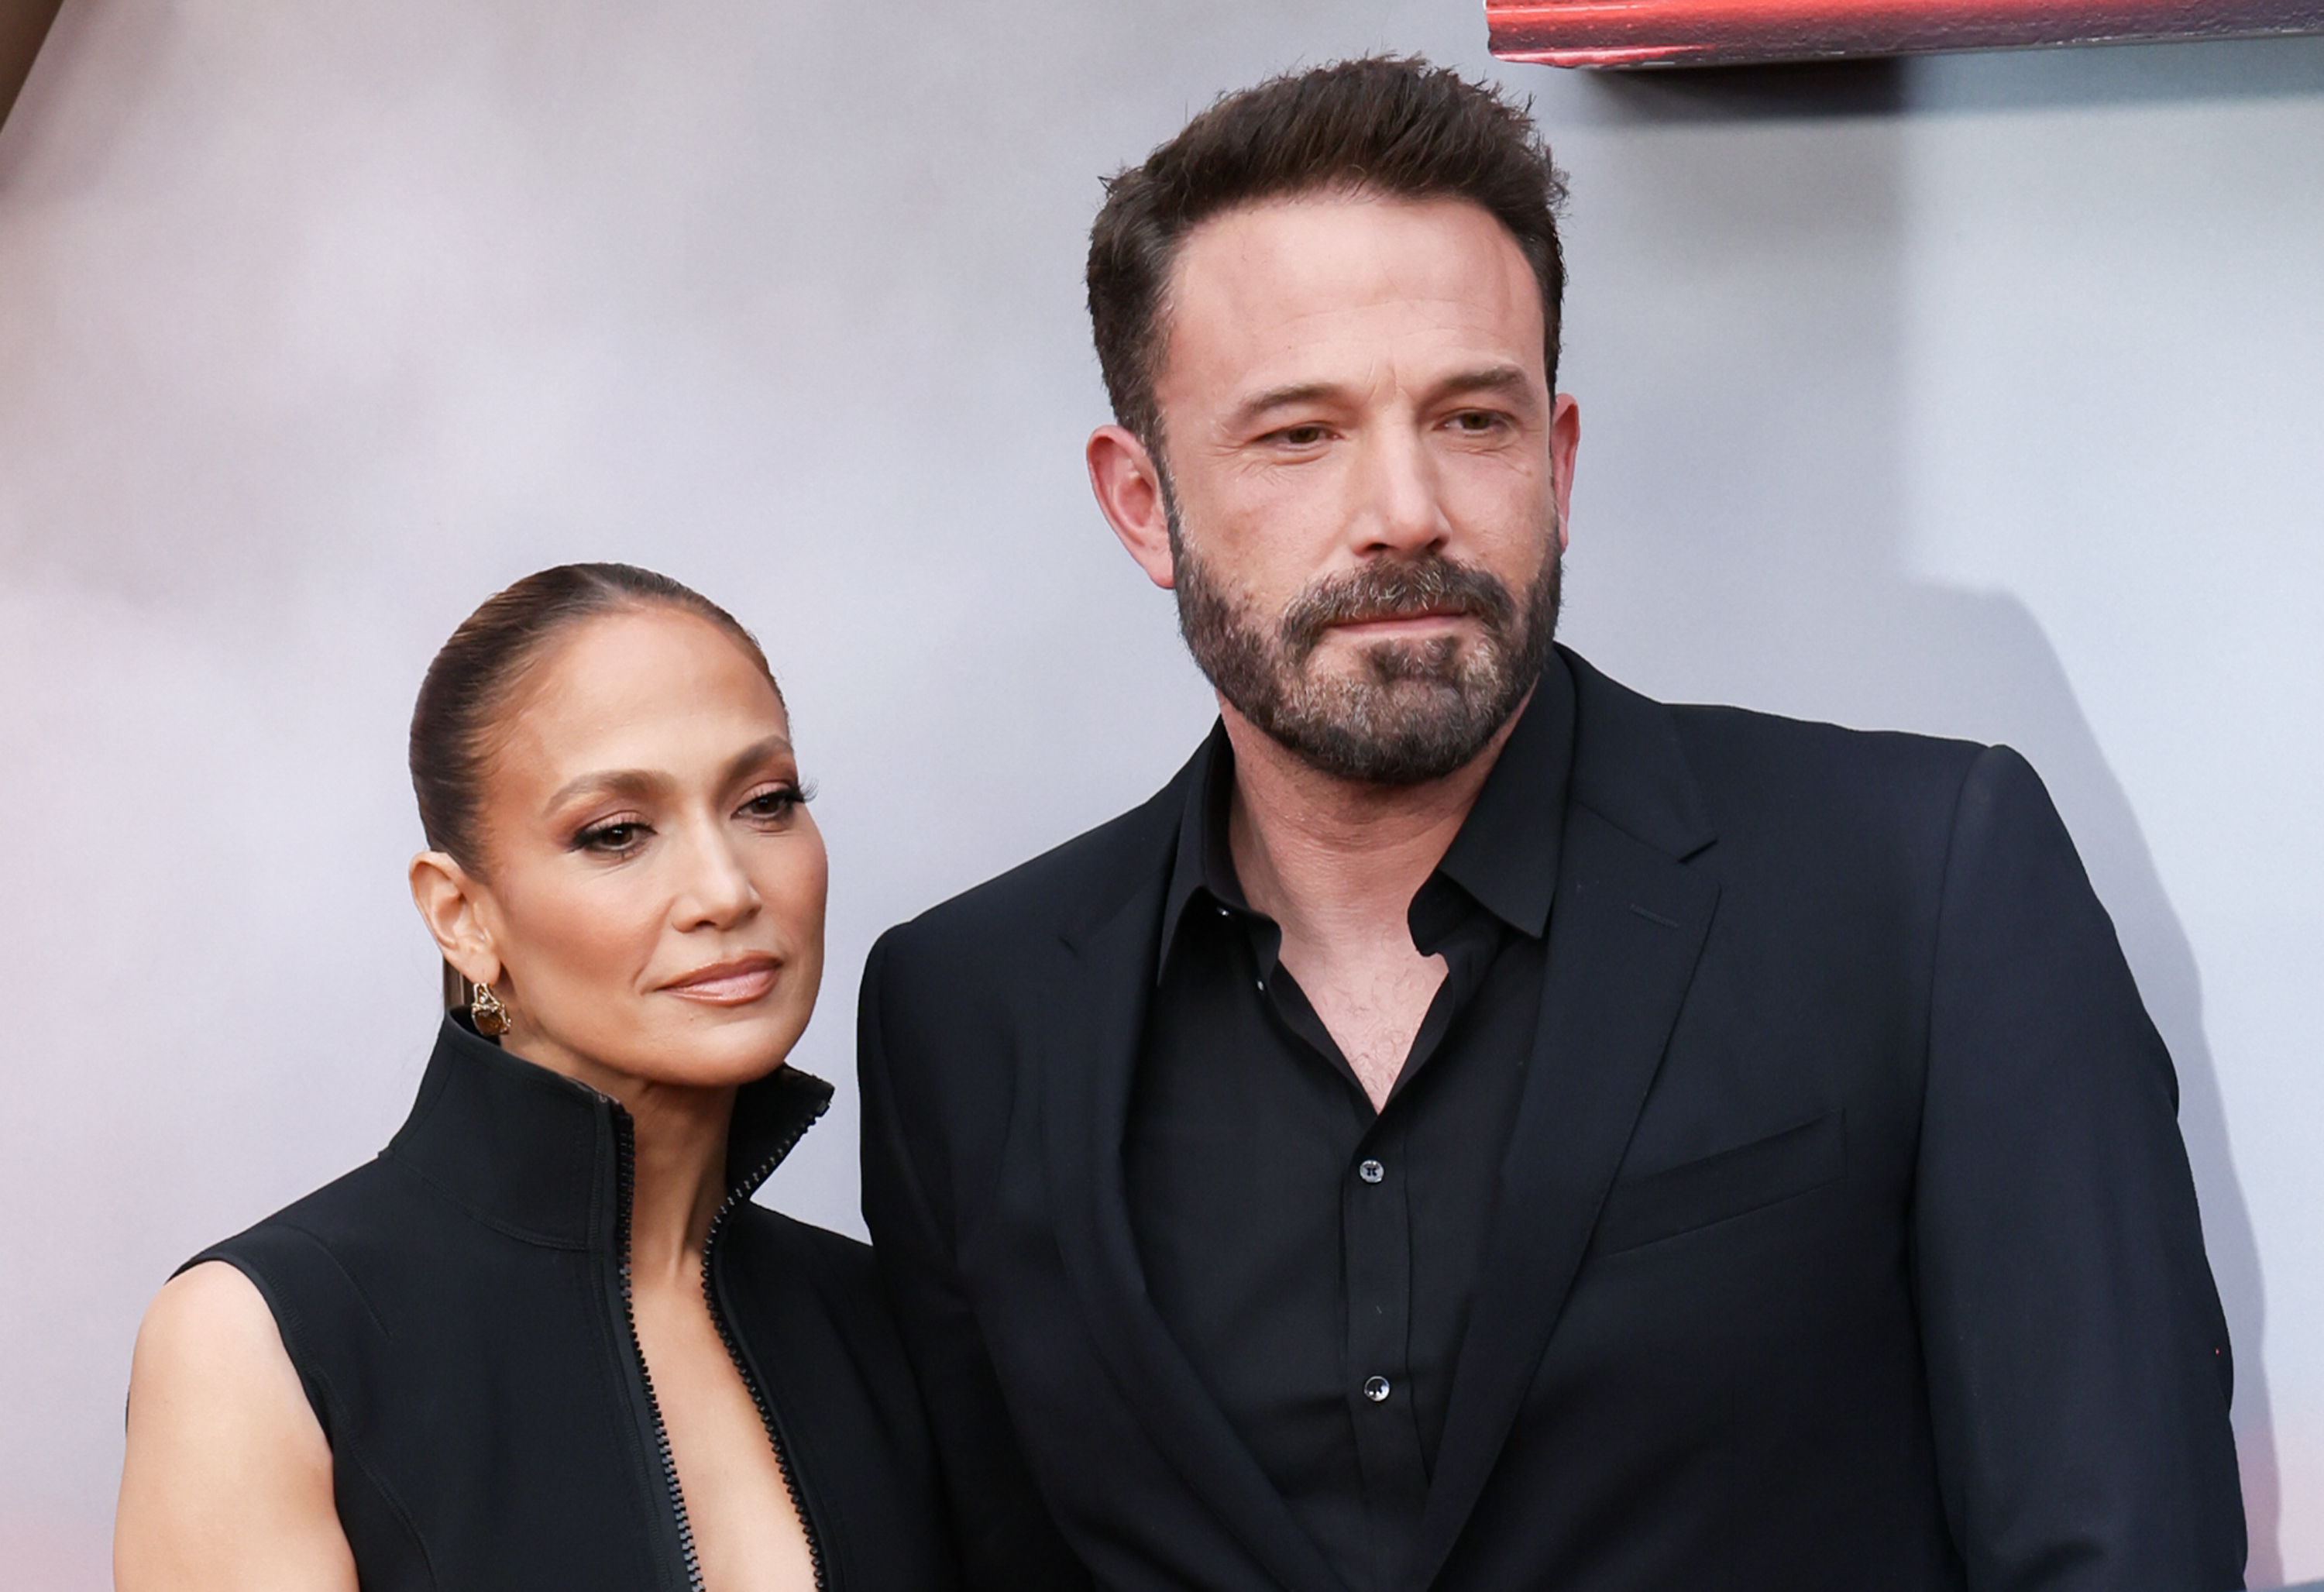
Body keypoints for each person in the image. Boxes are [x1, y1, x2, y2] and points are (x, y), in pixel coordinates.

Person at [857, 57, 2247, 1592]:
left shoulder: (1921, 883)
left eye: (1470, 417)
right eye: (1299, 434)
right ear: (1142, 502)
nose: (1406, 508)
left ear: (1559, 461)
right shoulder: (964, 1013)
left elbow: (2121, 1549)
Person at [116, 564, 958, 1592]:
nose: (726, 890)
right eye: (616, 833)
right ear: (462, 916)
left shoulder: (888, 1320)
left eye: (766, 801)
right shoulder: (258, 1340)